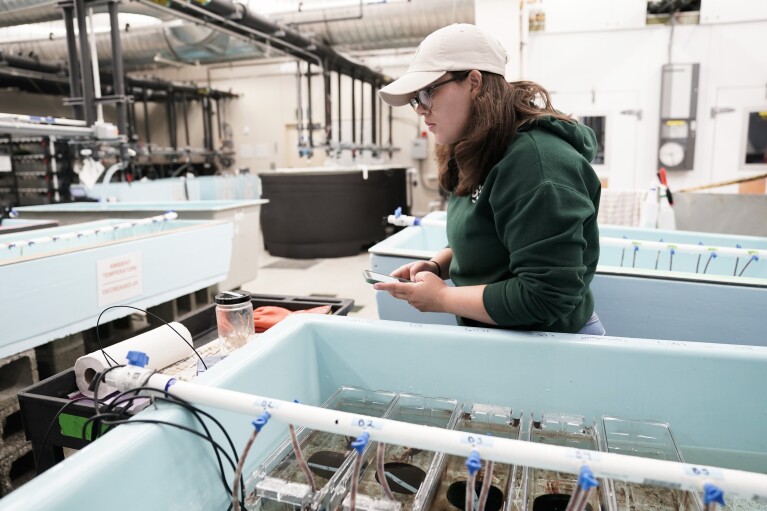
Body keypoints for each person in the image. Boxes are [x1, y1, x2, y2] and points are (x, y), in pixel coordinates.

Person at [375, 23, 604, 335]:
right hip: (506, 339)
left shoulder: (536, 166)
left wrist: (441, 298)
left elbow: (547, 296)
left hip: (554, 346)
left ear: (474, 82)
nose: (421, 109)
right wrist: (439, 265)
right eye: (417, 98)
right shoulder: (480, 149)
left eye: (428, 93)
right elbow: (493, 236)